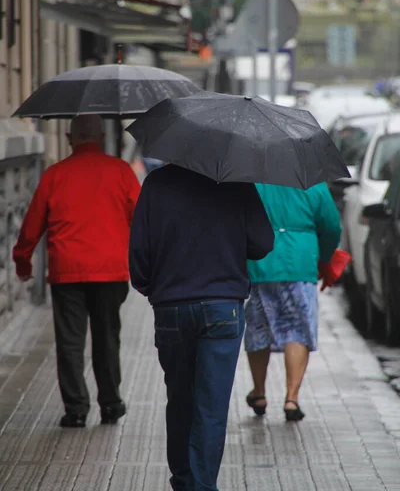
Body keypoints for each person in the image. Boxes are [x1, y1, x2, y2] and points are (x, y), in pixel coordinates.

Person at [129, 164, 274, 491]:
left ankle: (183, 481)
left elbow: (139, 251)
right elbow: (262, 243)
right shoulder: (237, 182)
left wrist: (151, 288)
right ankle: (201, 485)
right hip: (223, 307)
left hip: (171, 307)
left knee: (179, 399)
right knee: (211, 405)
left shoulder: (157, 183)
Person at [13, 115, 141, 428]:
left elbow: (32, 224)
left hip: (67, 270)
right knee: (107, 338)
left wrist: (22, 259)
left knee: (70, 341)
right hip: (110, 271)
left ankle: (76, 409)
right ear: (99, 137)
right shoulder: (121, 171)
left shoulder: (55, 174)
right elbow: (142, 218)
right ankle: (110, 404)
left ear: (70, 138)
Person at [244, 182, 341, 421]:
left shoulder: (252, 179)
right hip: (300, 261)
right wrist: (324, 256)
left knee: (258, 329)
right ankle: (291, 398)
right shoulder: (312, 182)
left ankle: (259, 392)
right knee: (297, 331)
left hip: (260, 262)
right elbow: (331, 226)